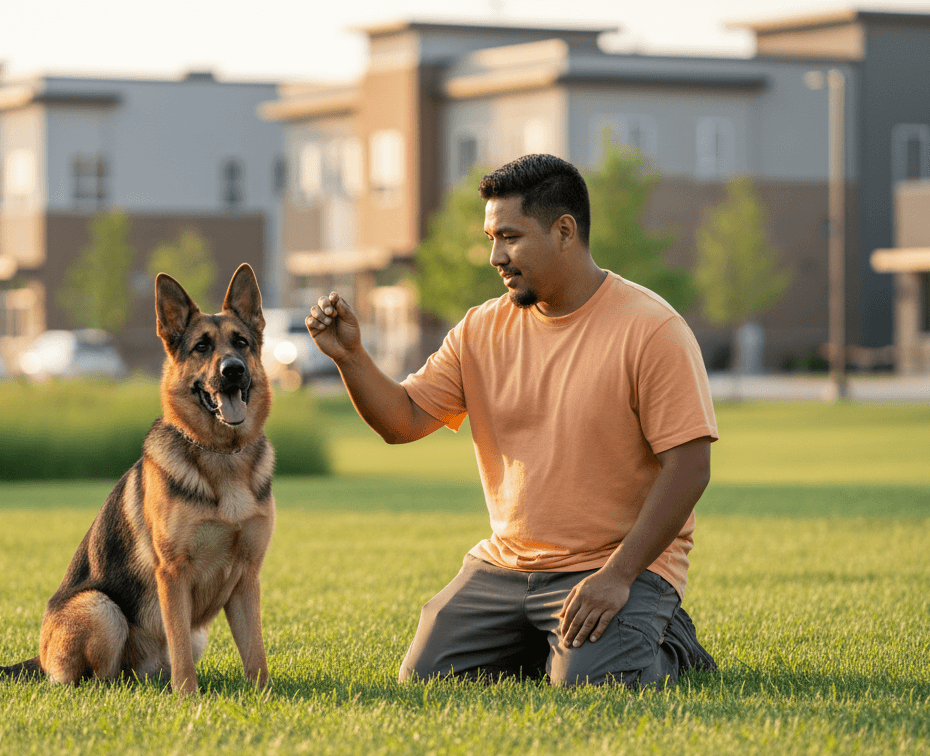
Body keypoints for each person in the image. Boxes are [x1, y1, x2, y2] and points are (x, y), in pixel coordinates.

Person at [305, 153, 718, 687]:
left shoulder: (651, 329)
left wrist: (617, 576)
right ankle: (551, 642)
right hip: (505, 565)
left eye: (511, 237)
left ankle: (671, 642)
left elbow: (689, 467)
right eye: (491, 238)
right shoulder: (480, 329)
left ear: (565, 231)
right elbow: (402, 421)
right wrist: (351, 358)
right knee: (427, 680)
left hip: (611, 564)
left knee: (591, 686)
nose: (495, 256)